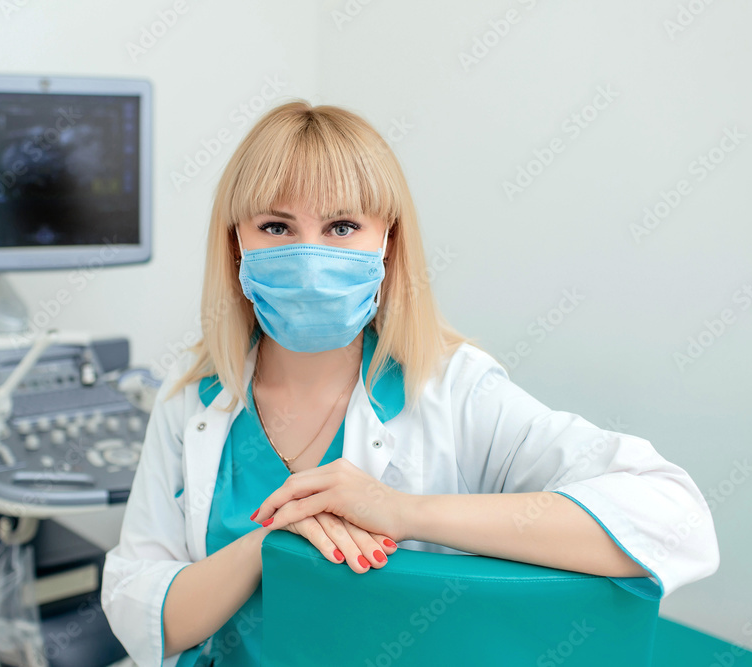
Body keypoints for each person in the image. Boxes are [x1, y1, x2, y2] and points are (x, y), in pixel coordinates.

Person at [101, 100, 719, 667]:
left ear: (388, 242)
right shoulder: (193, 398)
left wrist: (402, 511)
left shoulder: (455, 390)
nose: (309, 259)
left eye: (342, 227)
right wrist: (267, 548)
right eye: (277, 227)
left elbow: (674, 520)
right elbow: (140, 613)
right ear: (235, 241)